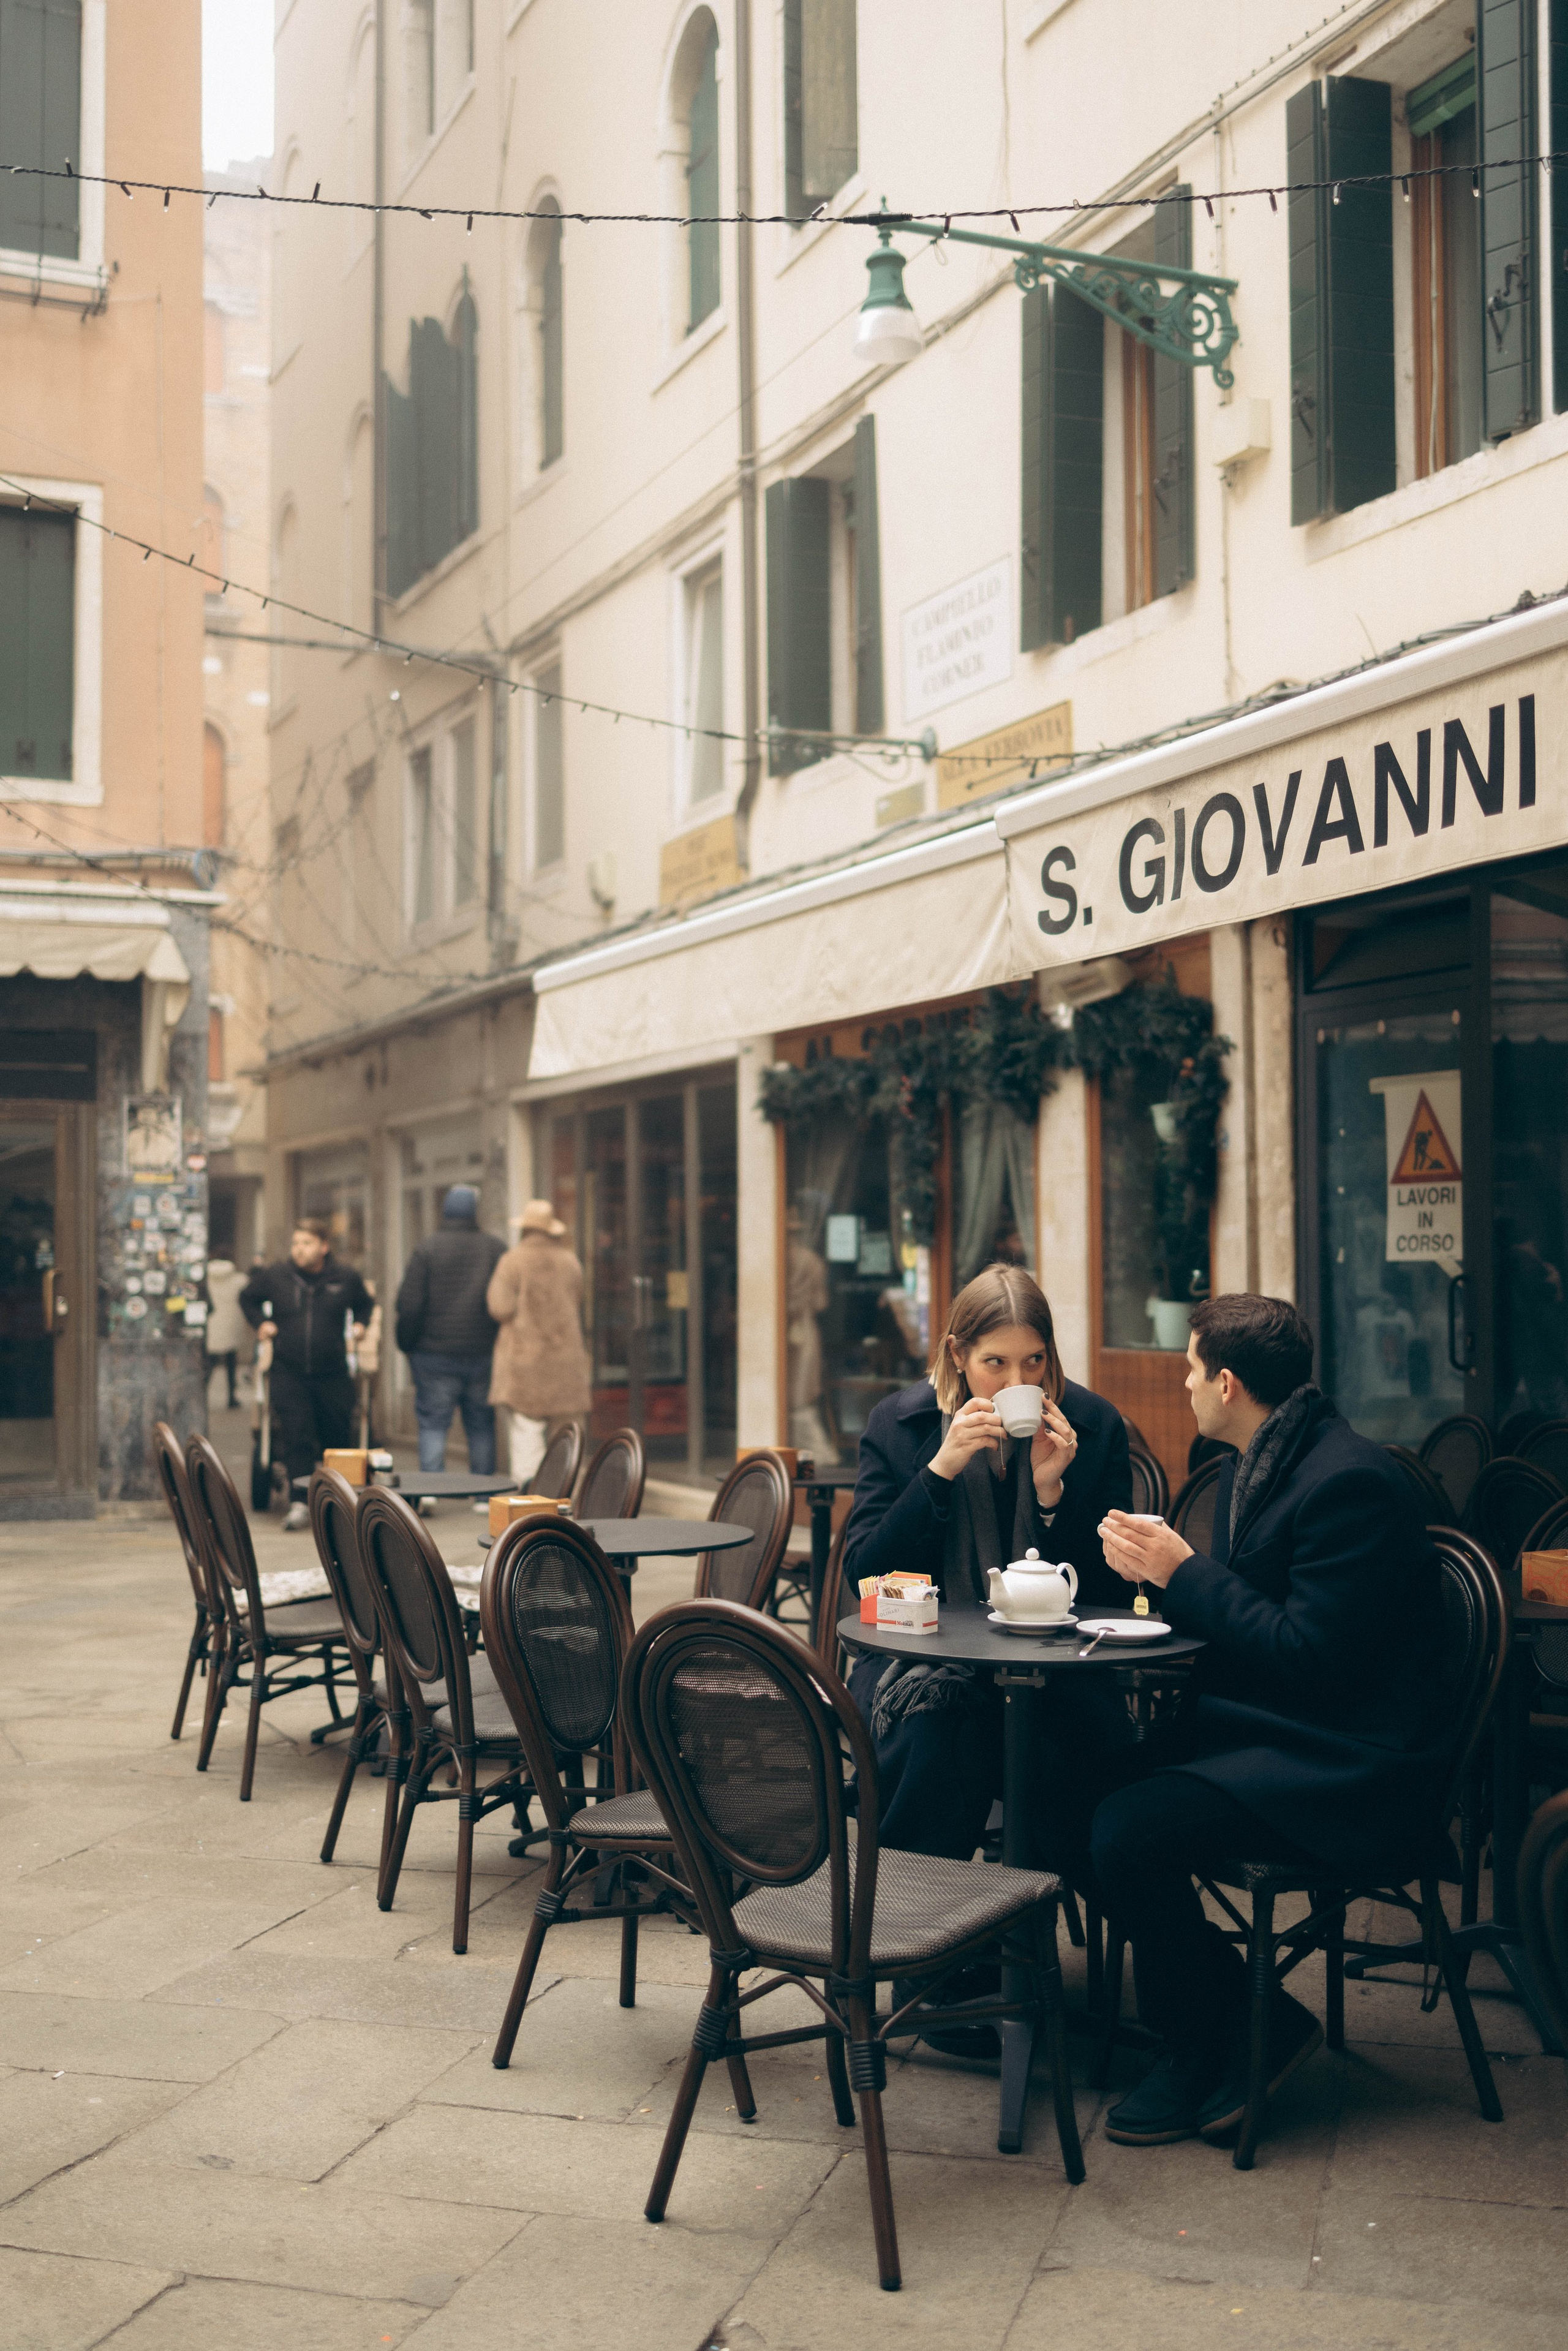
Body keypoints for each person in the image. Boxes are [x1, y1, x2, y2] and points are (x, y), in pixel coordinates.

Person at [1080, 1292, 1446, 2149]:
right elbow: (1258, 1620)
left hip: (1349, 1764)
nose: (1184, 1384)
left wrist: (1184, 1572)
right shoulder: (1269, 1457)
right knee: (1072, 1782)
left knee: (1128, 1829)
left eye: (1191, 1369)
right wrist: (1161, 1578)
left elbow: (1311, 1658)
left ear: (1228, 1383)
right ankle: (1249, 2015)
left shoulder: (1348, 1480)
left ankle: (1197, 2042)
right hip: (1273, 1732)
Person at [842, 1264, 1134, 1864]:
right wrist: (939, 1472)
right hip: (919, 1663)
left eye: (1033, 1361)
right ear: (957, 1354)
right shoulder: (900, 1425)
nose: (1017, 1381)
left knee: (1073, 1752)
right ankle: (921, 1915)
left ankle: (1030, 1907)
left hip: (1058, 1670)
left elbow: (1112, 1591)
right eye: (995, 1362)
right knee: (937, 1732)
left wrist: (1053, 1496)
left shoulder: (1092, 1425)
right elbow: (867, 1580)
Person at [239, 1220, 374, 1529]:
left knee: (337, 1437)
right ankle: (300, 1502)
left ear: (323, 1247)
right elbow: (247, 1298)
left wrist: (361, 1324)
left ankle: (339, 1504)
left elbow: (365, 1305)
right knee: (296, 1436)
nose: (299, 1250)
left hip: (333, 1373)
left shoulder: (345, 1277)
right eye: (296, 1243)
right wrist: (260, 1323)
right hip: (289, 1372)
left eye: (307, 1243)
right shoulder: (277, 1276)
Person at [394, 1184, 505, 1497]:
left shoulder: (427, 1249)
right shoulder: (495, 1249)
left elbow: (410, 1304)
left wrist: (406, 1343)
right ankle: (484, 1493)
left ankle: (432, 1490)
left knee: (433, 1422)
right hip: (483, 1351)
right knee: (481, 1423)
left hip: (434, 1353)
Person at [486, 1199, 591, 1486]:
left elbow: (499, 1307)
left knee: (527, 1436)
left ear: (525, 1229)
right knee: (566, 1439)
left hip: (525, 1362)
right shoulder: (570, 1261)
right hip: (566, 1362)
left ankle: (530, 1499)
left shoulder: (512, 1261)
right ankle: (566, 1497)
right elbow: (578, 1299)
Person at [203, 1255, 251, 1409]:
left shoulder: (206, 1278)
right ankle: (231, 1397)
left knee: (210, 1363)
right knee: (231, 1363)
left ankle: (201, 1395)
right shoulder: (240, 1280)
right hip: (231, 1325)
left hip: (213, 1325)